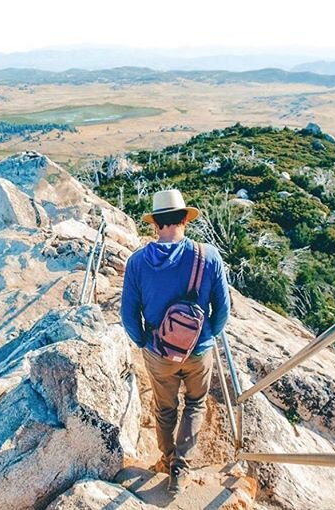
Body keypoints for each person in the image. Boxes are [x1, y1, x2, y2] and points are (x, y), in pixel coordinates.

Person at [121, 189, 231, 494]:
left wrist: (145, 342)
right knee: (195, 402)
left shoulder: (137, 262)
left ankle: (167, 459)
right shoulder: (208, 256)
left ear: (155, 224)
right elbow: (223, 309)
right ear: (185, 219)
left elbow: (129, 314)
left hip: (159, 352)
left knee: (165, 408)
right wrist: (207, 337)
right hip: (198, 352)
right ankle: (181, 465)